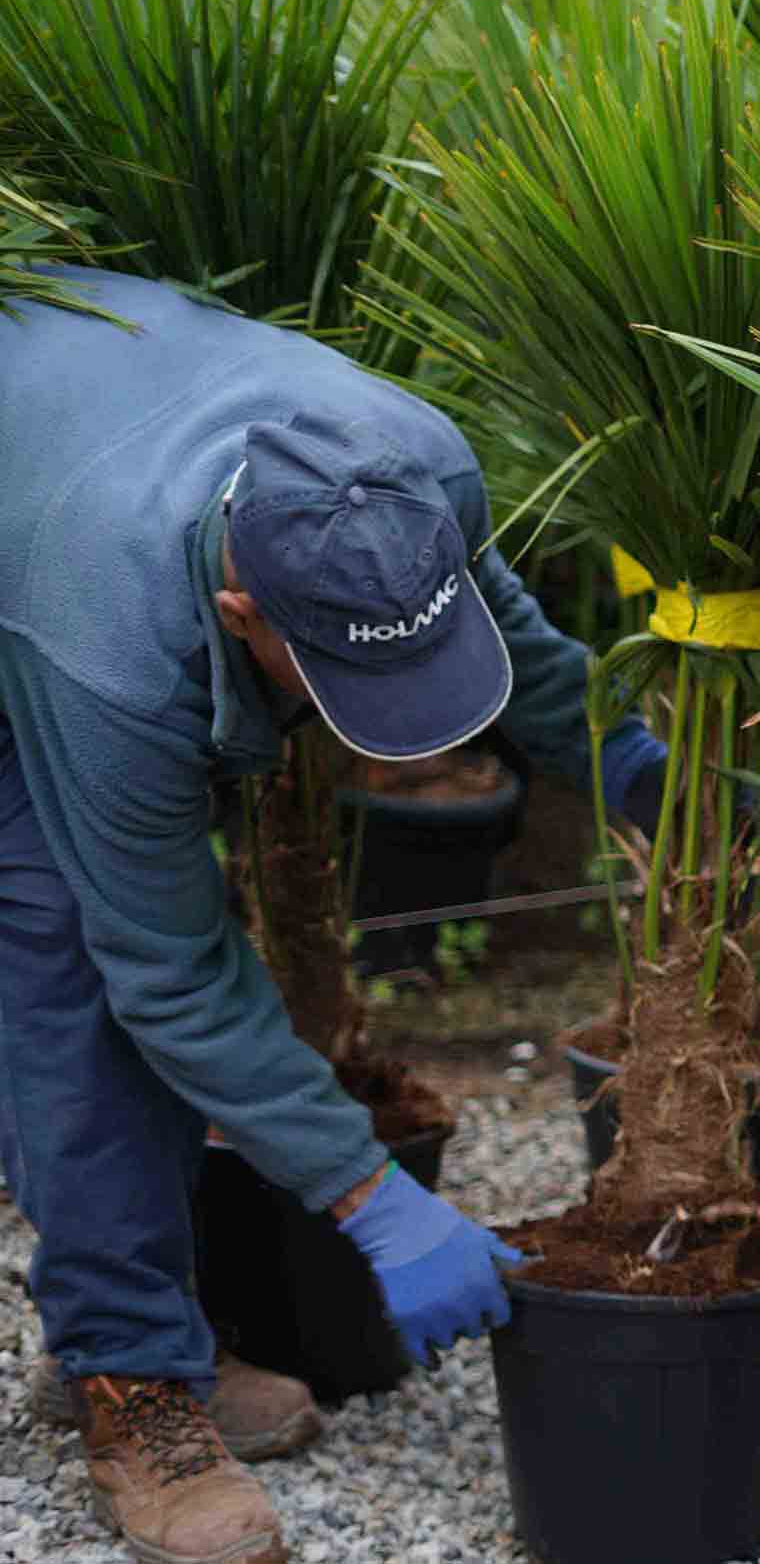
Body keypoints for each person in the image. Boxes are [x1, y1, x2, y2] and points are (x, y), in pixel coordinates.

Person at [0, 267, 669, 1564]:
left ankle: (140, 1327)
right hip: (35, 572)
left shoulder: (412, 466)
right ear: (243, 614)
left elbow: (501, 620)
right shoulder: (110, 655)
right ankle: (130, 1376)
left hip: (81, 427)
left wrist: (632, 762)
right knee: (67, 953)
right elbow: (172, 972)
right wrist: (372, 1195)